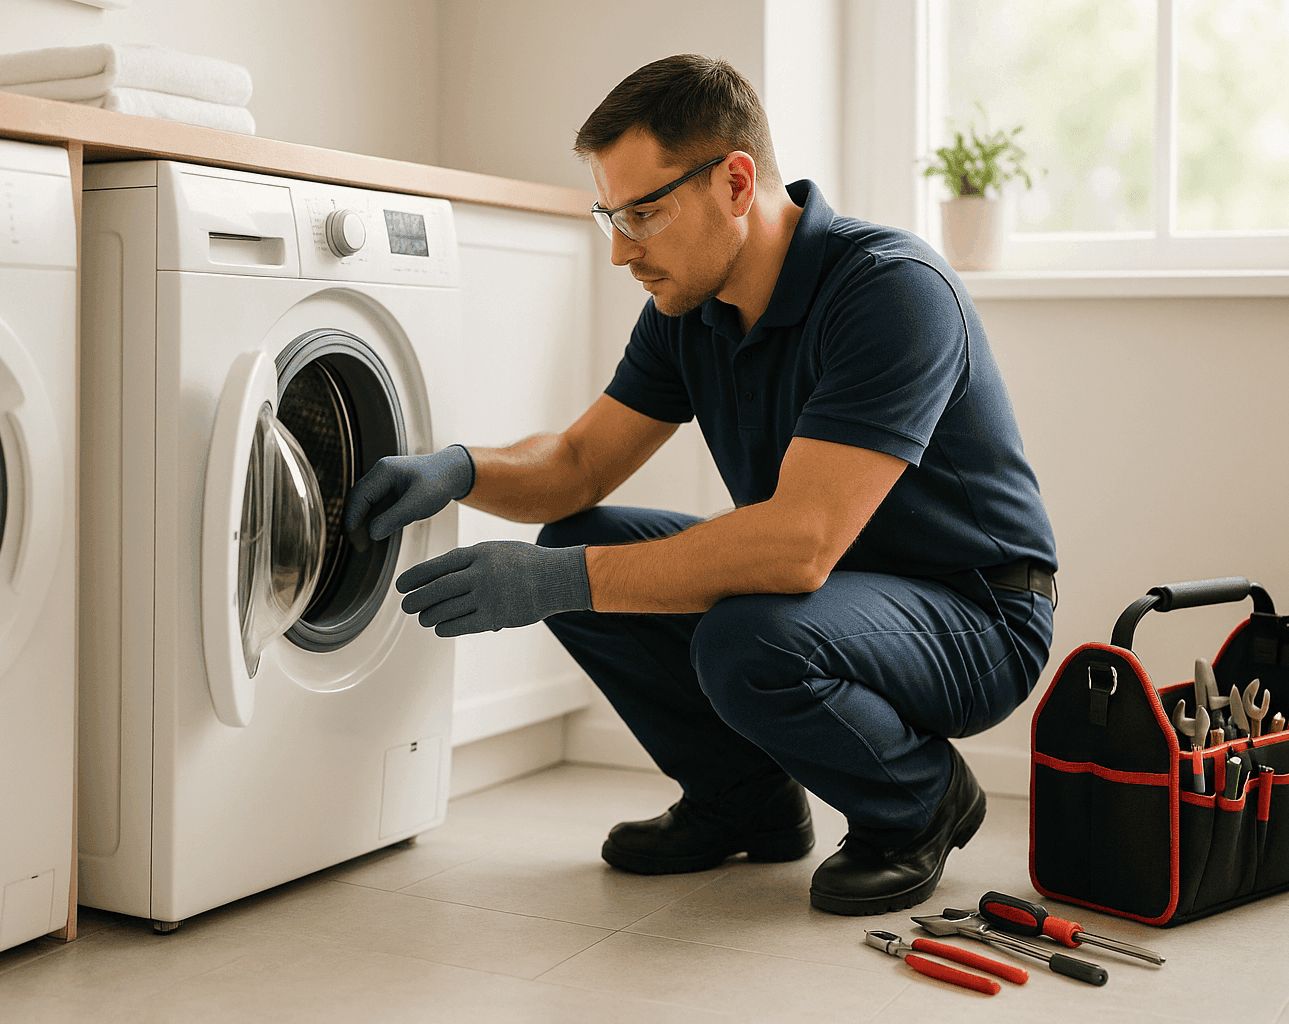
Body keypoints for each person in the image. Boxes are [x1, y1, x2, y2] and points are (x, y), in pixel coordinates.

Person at [342, 54, 1056, 916]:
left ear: (735, 181)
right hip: (833, 592)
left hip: (976, 613)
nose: (619, 250)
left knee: (743, 635)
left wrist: (561, 585)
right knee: (579, 541)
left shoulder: (890, 291)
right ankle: (745, 801)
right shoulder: (689, 310)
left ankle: (919, 799)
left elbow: (799, 544)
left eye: (644, 212)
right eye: (610, 214)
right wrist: (457, 468)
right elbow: (574, 468)